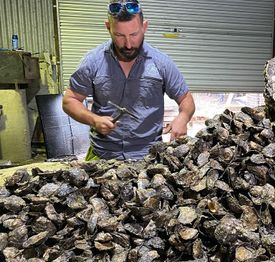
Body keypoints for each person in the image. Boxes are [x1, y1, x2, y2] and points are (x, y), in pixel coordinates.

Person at [63, 0, 195, 160]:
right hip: (102, 154)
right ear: (108, 28)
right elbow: (70, 100)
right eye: (119, 35)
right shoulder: (93, 61)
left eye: (134, 34)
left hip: (149, 157)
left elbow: (186, 99)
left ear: (144, 27)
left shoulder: (161, 63)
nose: (128, 44)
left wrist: (183, 118)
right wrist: (94, 119)